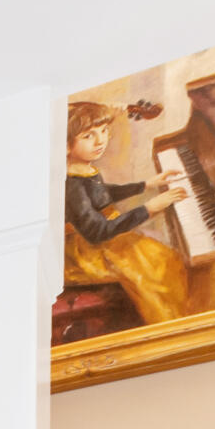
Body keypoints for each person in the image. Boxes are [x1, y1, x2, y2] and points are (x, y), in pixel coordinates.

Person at [63, 99, 192, 327]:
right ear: (64, 146)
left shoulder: (84, 168)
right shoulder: (71, 184)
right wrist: (149, 208)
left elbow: (103, 194)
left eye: (103, 131)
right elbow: (96, 232)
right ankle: (171, 325)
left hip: (102, 235)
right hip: (84, 248)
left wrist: (146, 184)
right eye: (88, 136)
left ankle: (181, 314)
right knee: (158, 264)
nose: (101, 140)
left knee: (161, 256)